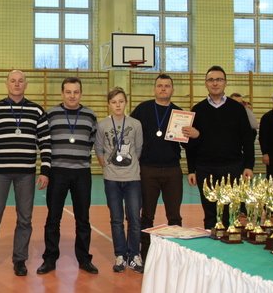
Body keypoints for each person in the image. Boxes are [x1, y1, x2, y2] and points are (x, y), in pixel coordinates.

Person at [0, 70, 51, 280]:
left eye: (20, 81)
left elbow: (45, 142)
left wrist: (45, 170)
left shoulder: (37, 111)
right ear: (6, 83)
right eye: (13, 81)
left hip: (26, 174)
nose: (16, 84)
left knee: (25, 219)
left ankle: (20, 260)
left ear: (26, 84)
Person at [131, 74, 199, 260]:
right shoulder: (142, 109)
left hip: (172, 170)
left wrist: (193, 136)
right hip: (147, 169)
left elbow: (187, 146)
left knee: (174, 216)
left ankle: (175, 254)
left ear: (172, 90)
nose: (163, 89)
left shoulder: (180, 114)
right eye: (160, 85)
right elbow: (130, 134)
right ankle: (145, 254)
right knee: (147, 215)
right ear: (154, 89)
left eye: (167, 86)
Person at [36, 77, 99, 275]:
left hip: (82, 172)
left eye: (76, 92)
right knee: (53, 218)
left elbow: (92, 140)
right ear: (62, 93)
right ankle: (50, 259)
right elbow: (43, 141)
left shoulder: (90, 115)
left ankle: (84, 259)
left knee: (83, 218)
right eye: (68, 92)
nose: (72, 96)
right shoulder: (51, 114)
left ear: (81, 93)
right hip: (58, 171)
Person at [187, 66, 255, 229]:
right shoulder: (197, 110)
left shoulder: (237, 109)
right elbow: (190, 144)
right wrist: (191, 169)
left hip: (232, 167)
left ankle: (228, 242)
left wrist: (248, 165)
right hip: (205, 168)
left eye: (219, 79)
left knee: (229, 212)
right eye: (211, 80)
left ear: (225, 82)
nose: (215, 83)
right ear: (206, 83)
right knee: (210, 213)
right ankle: (210, 242)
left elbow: (247, 139)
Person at [95, 87, 144, 273]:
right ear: (109, 104)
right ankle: (121, 255)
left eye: (121, 101)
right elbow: (99, 148)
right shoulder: (102, 125)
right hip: (111, 179)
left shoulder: (135, 124)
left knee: (134, 219)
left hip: (132, 178)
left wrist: (128, 164)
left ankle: (135, 255)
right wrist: (106, 165)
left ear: (126, 103)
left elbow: (138, 149)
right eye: (114, 102)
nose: (118, 105)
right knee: (116, 219)